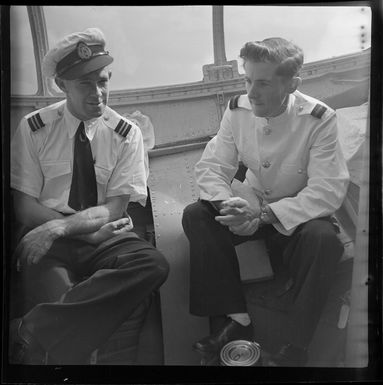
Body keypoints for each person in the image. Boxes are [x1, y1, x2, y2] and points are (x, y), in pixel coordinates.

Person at [182, 37, 349, 366]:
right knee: (196, 215)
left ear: (292, 84)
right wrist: (226, 205)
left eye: (263, 83)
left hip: (298, 215)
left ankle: (295, 346)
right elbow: (213, 168)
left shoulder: (319, 119)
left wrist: (265, 214)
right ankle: (237, 319)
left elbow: (327, 190)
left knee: (324, 240)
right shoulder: (237, 112)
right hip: (251, 207)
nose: (251, 92)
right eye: (247, 80)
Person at [8, 27, 169, 365]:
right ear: (62, 85)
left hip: (98, 236)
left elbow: (114, 208)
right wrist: (64, 230)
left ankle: (30, 329)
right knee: (64, 308)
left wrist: (64, 228)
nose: (98, 93)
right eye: (85, 84)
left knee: (152, 263)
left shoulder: (126, 134)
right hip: (48, 239)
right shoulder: (34, 127)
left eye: (103, 81)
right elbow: (24, 208)